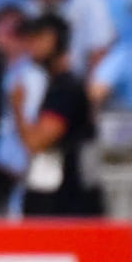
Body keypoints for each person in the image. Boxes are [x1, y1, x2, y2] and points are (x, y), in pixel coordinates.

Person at [14, 13, 103, 217]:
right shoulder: (59, 85)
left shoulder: (65, 88)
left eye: (36, 39)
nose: (30, 46)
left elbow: (36, 142)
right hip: (64, 200)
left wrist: (17, 110)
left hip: (67, 205)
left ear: (52, 39)